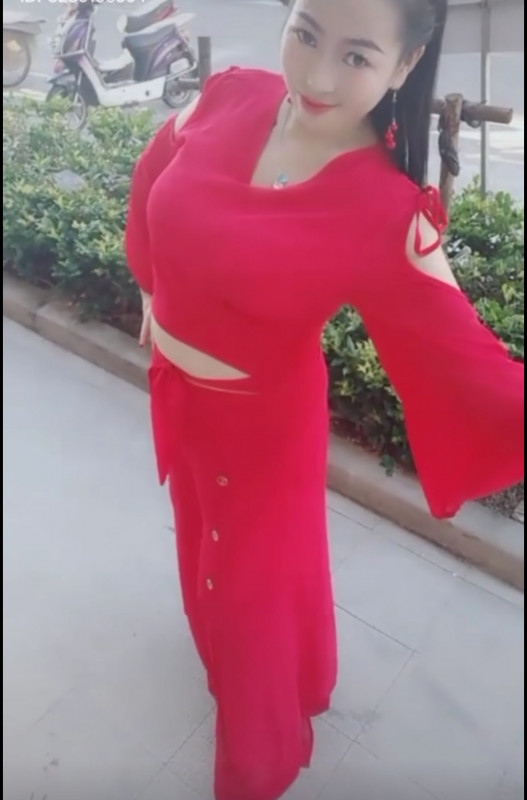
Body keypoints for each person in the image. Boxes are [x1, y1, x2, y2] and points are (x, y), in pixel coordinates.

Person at [125, 1, 524, 798]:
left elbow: (474, 375)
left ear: (404, 65)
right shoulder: (233, 93)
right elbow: (156, 167)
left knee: (251, 604)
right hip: (176, 393)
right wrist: (150, 284)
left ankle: (258, 763)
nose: (314, 74)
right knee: (205, 550)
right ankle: (288, 674)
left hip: (261, 436)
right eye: (305, 33)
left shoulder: (382, 210)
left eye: (355, 56)